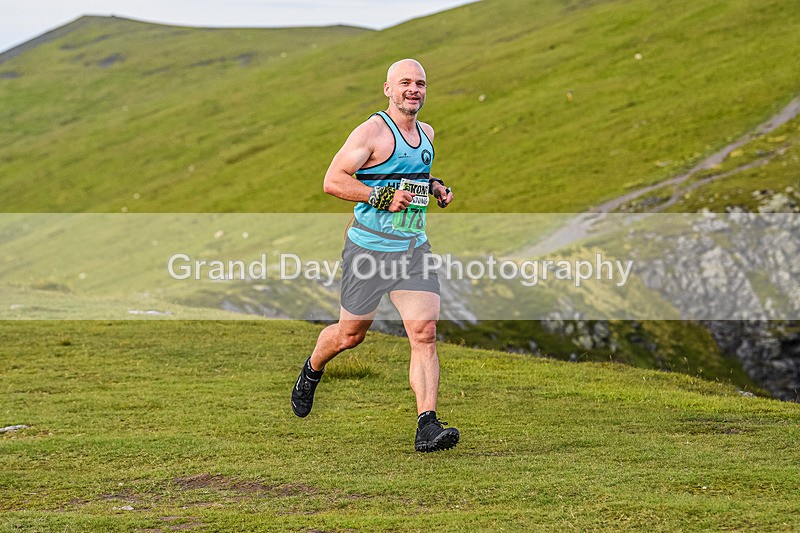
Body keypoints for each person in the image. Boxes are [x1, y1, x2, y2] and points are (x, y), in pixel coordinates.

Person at [291, 58, 459, 452]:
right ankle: (312, 368)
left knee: (424, 333)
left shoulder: (427, 133)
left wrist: (433, 186)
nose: (413, 90)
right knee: (350, 335)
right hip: (368, 251)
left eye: (420, 83)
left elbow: (410, 176)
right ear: (388, 89)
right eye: (405, 83)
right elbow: (333, 181)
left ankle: (427, 425)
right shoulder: (371, 132)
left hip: (413, 249)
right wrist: (380, 197)